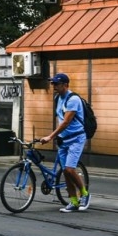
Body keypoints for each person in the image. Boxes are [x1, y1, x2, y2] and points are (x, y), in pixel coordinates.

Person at [39, 73, 91, 212]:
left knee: (69, 169)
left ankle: (85, 194)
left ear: (65, 85)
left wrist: (50, 136)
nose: (54, 86)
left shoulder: (73, 99)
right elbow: (60, 119)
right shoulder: (58, 98)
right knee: (65, 172)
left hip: (76, 138)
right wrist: (58, 136)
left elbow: (67, 121)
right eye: (53, 84)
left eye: (56, 84)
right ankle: (73, 201)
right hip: (64, 139)